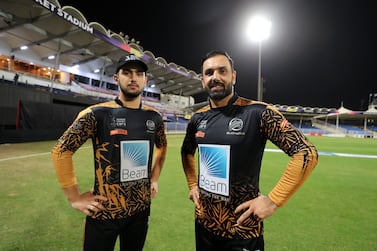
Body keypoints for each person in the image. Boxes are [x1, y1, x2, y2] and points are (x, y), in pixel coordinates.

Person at [181, 50, 318, 251]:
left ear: (233, 76)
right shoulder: (197, 119)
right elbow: (186, 152)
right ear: (202, 80)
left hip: (243, 230)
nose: (215, 77)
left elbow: (306, 152)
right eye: (209, 73)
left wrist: (273, 201)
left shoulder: (258, 113)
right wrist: (192, 184)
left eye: (222, 71)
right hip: (204, 225)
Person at [51, 54, 167, 251]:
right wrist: (75, 198)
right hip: (105, 211)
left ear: (145, 80)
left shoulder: (154, 117)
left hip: (140, 210)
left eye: (139, 74)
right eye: (127, 73)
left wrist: (154, 179)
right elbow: (61, 150)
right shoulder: (97, 114)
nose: (133, 78)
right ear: (116, 78)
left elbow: (162, 146)